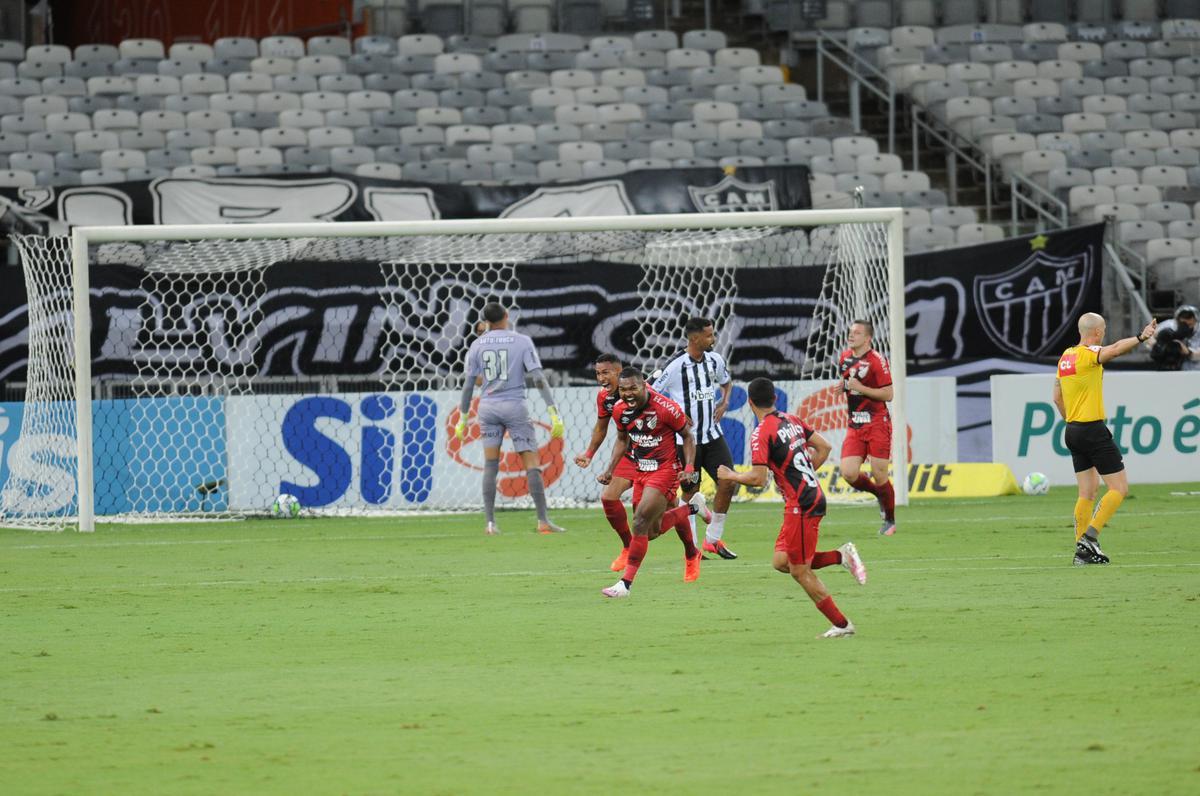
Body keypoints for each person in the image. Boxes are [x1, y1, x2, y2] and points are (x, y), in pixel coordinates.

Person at [718, 377, 867, 638]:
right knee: (781, 562)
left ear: (750, 403)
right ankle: (841, 556)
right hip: (807, 498)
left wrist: (731, 475)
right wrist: (800, 476)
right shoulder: (792, 420)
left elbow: (758, 478)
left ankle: (842, 625)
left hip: (802, 505)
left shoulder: (762, 432)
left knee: (799, 570)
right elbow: (824, 447)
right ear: (775, 399)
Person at [1053, 312, 1158, 566]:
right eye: (1104, 330)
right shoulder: (1090, 355)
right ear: (1098, 332)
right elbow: (1114, 350)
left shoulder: (1065, 357)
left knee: (1086, 493)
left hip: (1072, 430)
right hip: (1092, 430)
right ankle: (1090, 537)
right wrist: (1140, 337)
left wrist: (1072, 420)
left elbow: (1057, 398)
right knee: (1119, 488)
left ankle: (1082, 552)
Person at [456, 302, 565, 535]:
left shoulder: (476, 345)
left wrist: (463, 418)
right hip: (515, 406)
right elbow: (537, 378)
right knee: (531, 464)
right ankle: (543, 521)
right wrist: (553, 411)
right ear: (507, 315)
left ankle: (490, 524)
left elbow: (468, 385)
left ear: (485, 321)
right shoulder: (522, 341)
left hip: (487, 408)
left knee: (490, 465)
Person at [598, 368, 707, 598]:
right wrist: (610, 469)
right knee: (650, 533)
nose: (627, 394)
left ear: (644, 386)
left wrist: (688, 468)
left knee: (639, 522)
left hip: (666, 470)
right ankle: (693, 509)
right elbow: (621, 439)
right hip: (641, 470)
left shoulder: (666, 408)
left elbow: (688, 437)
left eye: (633, 388)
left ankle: (625, 584)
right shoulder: (620, 410)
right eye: (623, 389)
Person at [652, 317, 737, 559]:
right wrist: (676, 412)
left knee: (728, 482)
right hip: (686, 442)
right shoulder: (675, 365)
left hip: (712, 435)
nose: (714, 339)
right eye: (709, 336)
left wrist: (725, 401)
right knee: (689, 493)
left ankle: (712, 539)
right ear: (694, 339)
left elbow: (726, 382)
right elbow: (650, 392)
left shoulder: (715, 360)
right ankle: (693, 550)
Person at [574, 353, 636, 570]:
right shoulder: (605, 397)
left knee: (655, 519)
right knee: (609, 498)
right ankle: (629, 548)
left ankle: (695, 519)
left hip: (656, 454)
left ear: (619, 372)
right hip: (629, 456)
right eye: (598, 373)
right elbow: (602, 428)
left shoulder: (641, 390)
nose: (601, 378)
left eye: (606, 373)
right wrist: (589, 454)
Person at [836, 319, 897, 536]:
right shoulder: (844, 357)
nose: (851, 336)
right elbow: (849, 384)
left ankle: (890, 520)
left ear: (868, 338)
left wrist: (860, 387)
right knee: (848, 473)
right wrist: (843, 387)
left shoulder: (877, 361)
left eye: (857, 333)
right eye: (851, 332)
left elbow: (888, 394)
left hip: (877, 424)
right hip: (855, 424)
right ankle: (879, 494)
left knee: (880, 474)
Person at [1148, 304, 1199, 371]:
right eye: (1183, 323)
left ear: (1196, 321)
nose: (1186, 327)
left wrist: (1188, 352)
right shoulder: (1169, 326)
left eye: (1190, 324)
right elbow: (1149, 335)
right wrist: (1157, 346)